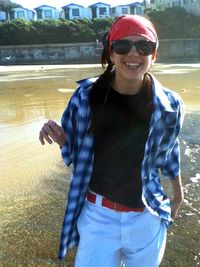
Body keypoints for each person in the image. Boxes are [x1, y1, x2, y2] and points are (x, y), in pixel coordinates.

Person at [39, 15, 184, 267]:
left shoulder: (170, 104)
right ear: (111, 51)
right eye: (122, 46)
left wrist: (179, 195)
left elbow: (170, 151)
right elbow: (77, 156)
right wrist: (63, 140)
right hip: (98, 216)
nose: (133, 54)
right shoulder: (85, 97)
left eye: (144, 46)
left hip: (146, 216)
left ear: (154, 54)